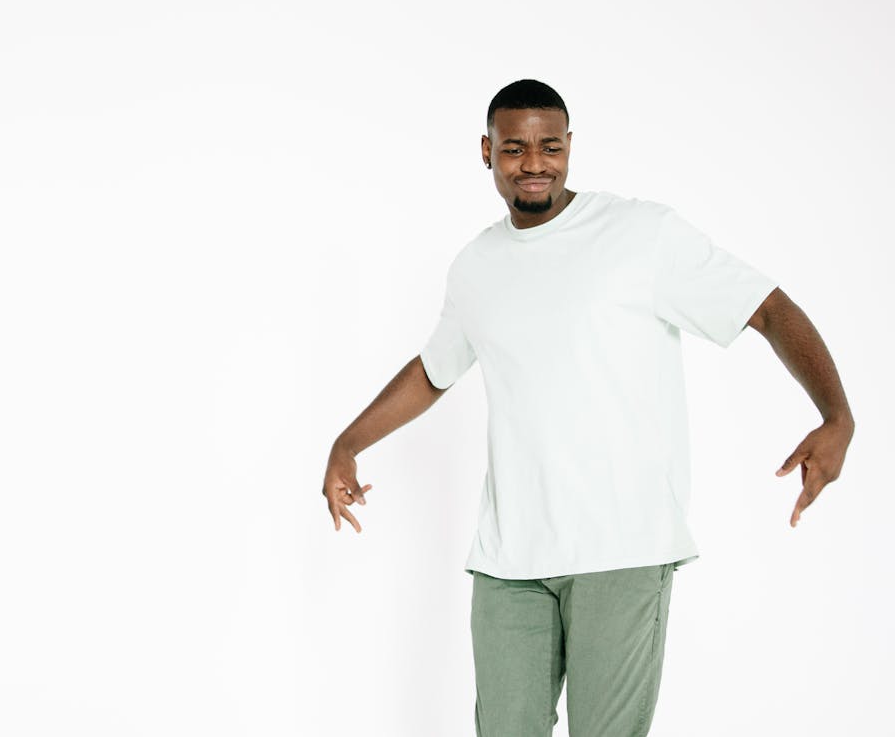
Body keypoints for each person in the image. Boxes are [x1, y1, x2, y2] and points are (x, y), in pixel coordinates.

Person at [320, 79, 855, 737]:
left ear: (571, 146)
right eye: (515, 148)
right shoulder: (476, 265)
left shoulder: (641, 233)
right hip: (510, 559)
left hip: (622, 547)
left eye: (551, 146)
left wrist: (836, 414)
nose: (536, 163)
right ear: (486, 152)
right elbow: (434, 371)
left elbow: (767, 307)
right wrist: (349, 441)